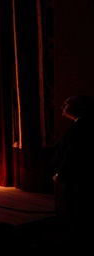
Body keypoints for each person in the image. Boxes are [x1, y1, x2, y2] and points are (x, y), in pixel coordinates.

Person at [51, 95, 94, 223]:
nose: (62, 107)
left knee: (78, 211)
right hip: (79, 177)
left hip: (78, 179)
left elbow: (74, 153)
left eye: (67, 104)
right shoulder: (82, 123)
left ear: (79, 107)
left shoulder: (81, 126)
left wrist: (61, 174)